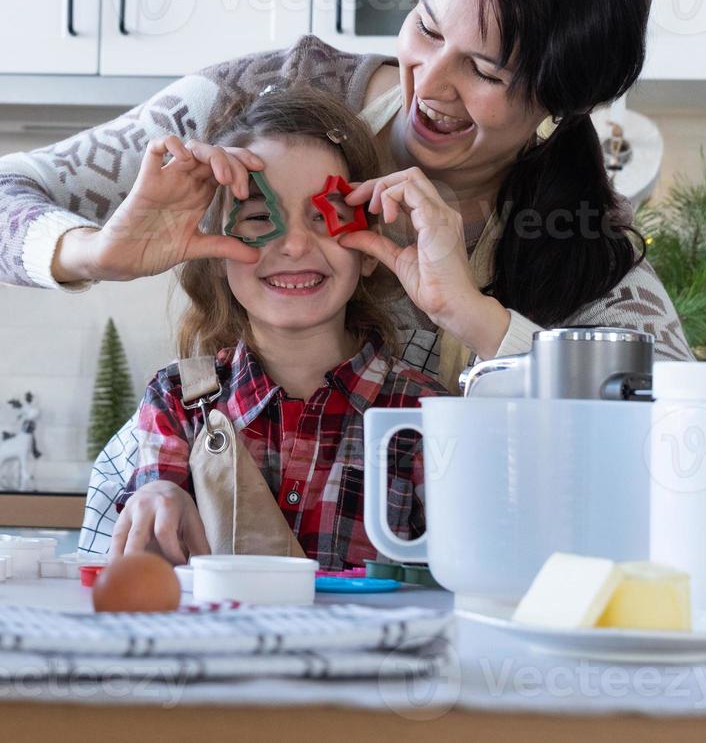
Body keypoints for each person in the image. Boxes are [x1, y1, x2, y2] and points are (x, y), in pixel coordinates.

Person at [0, 0, 693, 385]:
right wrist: (95, 253)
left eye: (487, 72)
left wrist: (477, 317)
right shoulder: (265, 95)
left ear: (560, 103)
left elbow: (675, 425)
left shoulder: (584, 245)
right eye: (427, 29)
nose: (430, 84)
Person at [103, 87, 448, 569]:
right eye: (261, 217)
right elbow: (148, 568)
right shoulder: (175, 400)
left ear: (368, 248)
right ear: (216, 255)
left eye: (327, 218)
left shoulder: (428, 416)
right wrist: (159, 496)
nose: (293, 245)